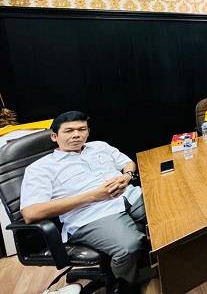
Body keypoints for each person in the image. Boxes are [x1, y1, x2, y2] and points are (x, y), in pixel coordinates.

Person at [20, 111, 147, 292]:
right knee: (129, 246)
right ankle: (126, 285)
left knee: (170, 211)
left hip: (130, 197)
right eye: (69, 131)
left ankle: (163, 264)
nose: (76, 135)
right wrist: (93, 196)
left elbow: (127, 163)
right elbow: (30, 213)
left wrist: (126, 176)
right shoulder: (40, 168)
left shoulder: (100, 146)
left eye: (82, 129)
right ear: (54, 136)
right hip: (92, 215)